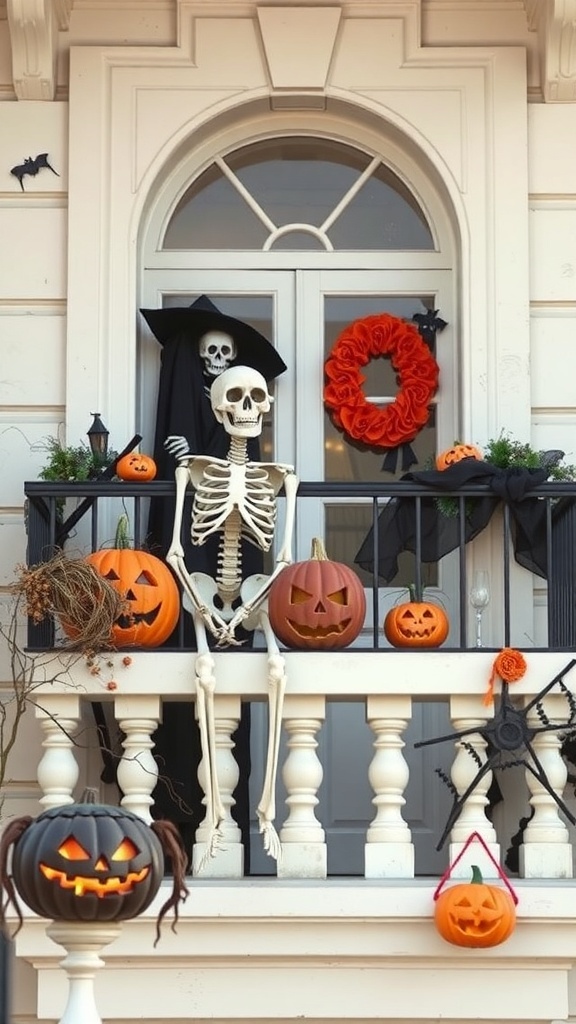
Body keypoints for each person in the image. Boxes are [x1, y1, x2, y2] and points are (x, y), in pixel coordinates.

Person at [140, 295, 287, 872]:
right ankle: (191, 828)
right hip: (196, 589)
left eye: (227, 358)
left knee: (264, 677)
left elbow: (275, 555)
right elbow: (176, 547)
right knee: (197, 682)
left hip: (248, 597)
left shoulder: (271, 475)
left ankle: (258, 821)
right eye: (212, 357)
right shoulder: (190, 474)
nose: (218, 362)